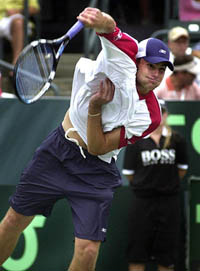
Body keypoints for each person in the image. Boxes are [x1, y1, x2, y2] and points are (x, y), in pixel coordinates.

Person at [0, 7, 173, 271]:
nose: (155, 74)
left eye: (162, 70)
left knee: (88, 250)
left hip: (96, 169)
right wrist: (98, 19)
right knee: (13, 221)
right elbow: (110, 27)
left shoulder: (151, 115)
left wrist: (95, 109)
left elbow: (98, 146)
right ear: (137, 61)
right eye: (151, 66)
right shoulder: (124, 55)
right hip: (58, 151)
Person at [122, 100, 188, 271]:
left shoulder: (177, 140)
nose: (158, 115)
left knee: (166, 255)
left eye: (162, 111)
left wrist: (165, 184)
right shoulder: (136, 141)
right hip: (142, 202)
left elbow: (181, 170)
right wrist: (147, 184)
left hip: (169, 202)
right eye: (153, 111)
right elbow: (129, 174)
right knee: (137, 252)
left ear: (166, 115)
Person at [0, 0, 39, 66]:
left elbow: (34, 8)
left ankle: (16, 66)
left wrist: (18, 11)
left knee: (19, 23)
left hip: (15, 18)